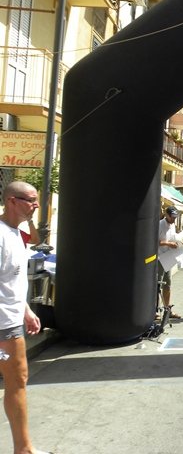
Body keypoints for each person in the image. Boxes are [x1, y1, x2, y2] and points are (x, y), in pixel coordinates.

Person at [0, 182, 46, 454]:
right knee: (17, 381)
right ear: (11, 201)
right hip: (4, 325)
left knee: (17, 381)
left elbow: (11, 281)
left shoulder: (17, 233)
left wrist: (26, 310)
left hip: (11, 319)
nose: (36, 205)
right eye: (30, 200)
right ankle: (24, 449)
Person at [157, 206, 182, 319]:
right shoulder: (159, 225)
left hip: (168, 258)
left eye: (175, 217)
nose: (174, 219)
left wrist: (177, 244)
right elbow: (154, 241)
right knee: (158, 286)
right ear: (166, 214)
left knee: (167, 285)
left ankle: (167, 310)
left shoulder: (172, 225)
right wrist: (168, 244)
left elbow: (172, 238)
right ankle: (155, 312)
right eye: (172, 217)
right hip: (159, 258)